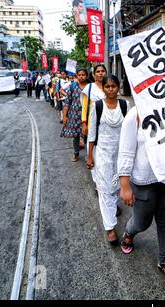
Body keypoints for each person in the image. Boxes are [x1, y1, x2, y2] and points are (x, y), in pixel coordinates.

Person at [118, 103, 165, 288]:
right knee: (142, 222)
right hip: (143, 180)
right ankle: (129, 232)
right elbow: (126, 149)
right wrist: (124, 184)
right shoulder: (135, 113)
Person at [86, 75, 124, 244]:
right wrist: (89, 155)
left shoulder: (125, 105)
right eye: (107, 86)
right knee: (104, 189)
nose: (110, 89)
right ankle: (110, 228)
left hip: (120, 153)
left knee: (116, 186)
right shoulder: (98, 106)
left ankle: (113, 207)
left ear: (118, 87)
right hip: (102, 154)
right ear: (104, 88)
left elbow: (129, 131)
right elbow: (92, 133)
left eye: (113, 86)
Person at [61, 68, 88, 162]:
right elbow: (67, 102)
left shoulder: (90, 87)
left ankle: (88, 155)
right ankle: (76, 153)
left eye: (83, 75)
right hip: (74, 116)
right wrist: (64, 116)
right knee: (75, 136)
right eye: (79, 75)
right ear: (77, 76)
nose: (81, 76)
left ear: (87, 76)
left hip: (87, 116)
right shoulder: (72, 86)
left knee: (87, 136)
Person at [81, 64, 107, 150]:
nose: (100, 73)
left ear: (106, 73)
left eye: (102, 71)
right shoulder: (89, 88)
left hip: (108, 121)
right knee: (93, 144)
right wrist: (84, 124)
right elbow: (84, 107)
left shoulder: (110, 87)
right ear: (94, 75)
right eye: (98, 72)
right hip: (92, 122)